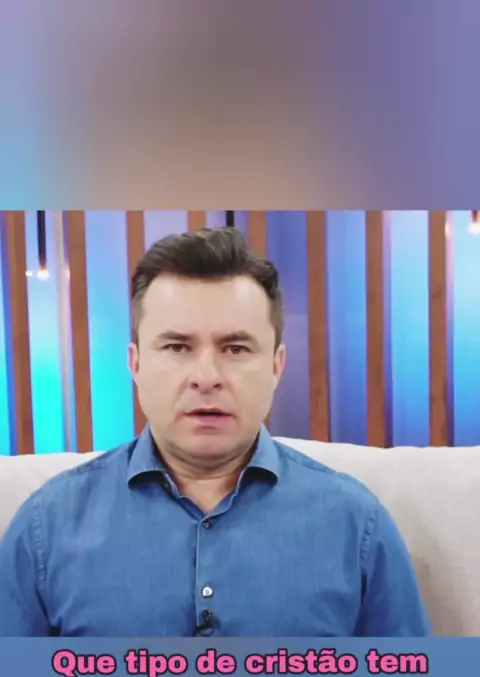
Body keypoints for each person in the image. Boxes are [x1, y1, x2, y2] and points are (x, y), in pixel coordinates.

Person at [0, 227, 431, 637]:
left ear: (276, 366)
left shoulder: (356, 524)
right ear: (136, 363)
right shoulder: (46, 527)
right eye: (177, 347)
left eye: (236, 349)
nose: (206, 377)